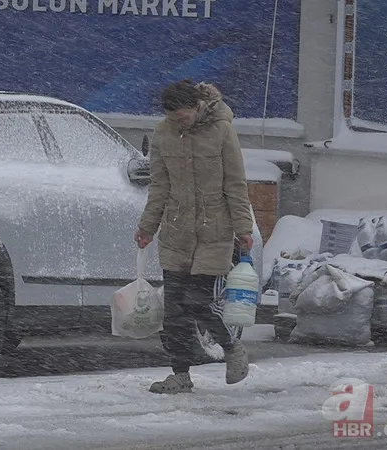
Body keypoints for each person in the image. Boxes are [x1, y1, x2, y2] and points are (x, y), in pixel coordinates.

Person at [134, 79, 253, 394]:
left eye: (183, 118)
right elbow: (159, 185)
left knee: (197, 301)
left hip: (214, 231)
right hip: (176, 231)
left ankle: (231, 348)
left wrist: (244, 229)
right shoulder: (163, 134)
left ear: (199, 107)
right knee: (174, 311)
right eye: (173, 119)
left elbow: (236, 185)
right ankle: (180, 375)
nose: (178, 124)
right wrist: (147, 227)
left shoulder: (223, 132)